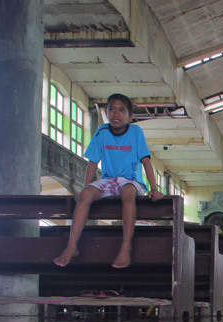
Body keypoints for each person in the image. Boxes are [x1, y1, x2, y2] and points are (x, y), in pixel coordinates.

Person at [54, 93, 162, 269]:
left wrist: (154, 188)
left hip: (131, 181)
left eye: (121, 110)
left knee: (127, 192)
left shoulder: (135, 132)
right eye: (111, 109)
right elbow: (92, 163)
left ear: (130, 116)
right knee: (87, 194)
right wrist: (84, 188)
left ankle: (126, 246)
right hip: (109, 181)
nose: (116, 114)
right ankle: (72, 246)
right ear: (106, 112)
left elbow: (146, 161)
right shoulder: (102, 131)